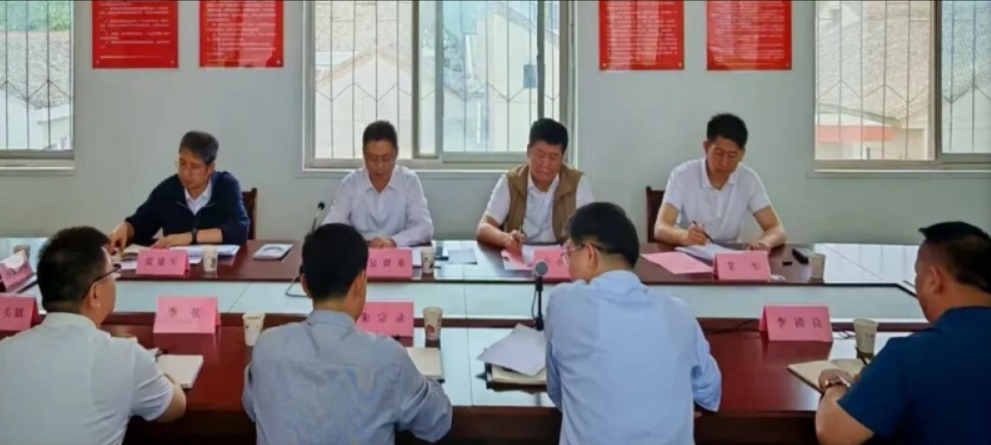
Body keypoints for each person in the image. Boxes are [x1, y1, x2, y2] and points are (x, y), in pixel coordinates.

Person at [242, 223, 452, 445]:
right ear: (360, 282)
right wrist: (420, 381)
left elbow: (252, 406)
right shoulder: (387, 358)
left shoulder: (267, 348)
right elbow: (437, 421)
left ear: (304, 285)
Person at [545, 202, 721, 445]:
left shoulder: (564, 303)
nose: (568, 265)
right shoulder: (679, 313)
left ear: (590, 253)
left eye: (569, 253)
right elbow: (709, 393)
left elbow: (557, 392)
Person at [0, 227, 186, 445]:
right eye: (112, 272)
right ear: (95, 293)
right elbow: (175, 407)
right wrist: (160, 373)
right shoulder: (125, 358)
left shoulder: (5, 350)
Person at [814, 221, 991, 445]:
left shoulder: (912, 355)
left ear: (933, 280)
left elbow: (834, 434)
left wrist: (835, 385)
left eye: (917, 274)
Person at [653, 113, 785, 250]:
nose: (724, 162)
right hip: (691, 251)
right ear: (706, 147)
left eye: (732, 155)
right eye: (719, 153)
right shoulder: (682, 175)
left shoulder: (749, 179)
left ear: (742, 154)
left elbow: (776, 228)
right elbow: (660, 228)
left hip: (730, 256)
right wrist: (684, 236)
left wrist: (765, 243)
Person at [108, 131, 250, 250]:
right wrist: (126, 228)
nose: (186, 173)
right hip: (177, 270)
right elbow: (141, 224)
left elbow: (240, 229)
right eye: (182, 163)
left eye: (194, 166)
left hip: (219, 268)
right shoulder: (167, 191)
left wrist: (190, 237)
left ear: (210, 168)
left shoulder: (225, 185)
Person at [476, 118, 593, 254]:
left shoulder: (577, 183)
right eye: (540, 155)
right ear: (528, 151)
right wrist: (506, 239)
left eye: (553, 157)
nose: (545, 164)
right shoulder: (511, 181)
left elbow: (592, 231)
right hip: (519, 255)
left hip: (562, 259)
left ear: (563, 157)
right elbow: (483, 228)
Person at [322, 120, 434, 247]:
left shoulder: (409, 181)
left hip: (396, 251)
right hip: (360, 253)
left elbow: (425, 228)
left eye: (386, 158)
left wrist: (393, 241)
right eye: (373, 159)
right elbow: (332, 225)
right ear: (364, 155)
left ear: (396, 153)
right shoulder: (351, 183)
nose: (380, 166)